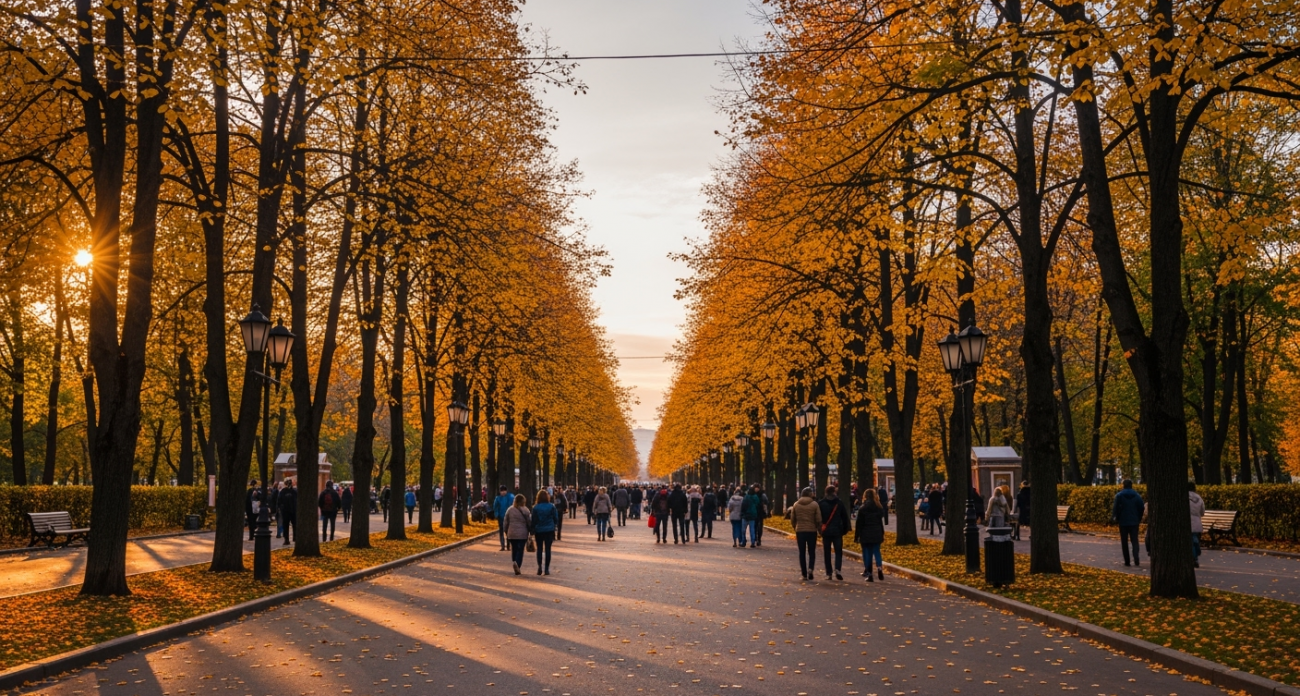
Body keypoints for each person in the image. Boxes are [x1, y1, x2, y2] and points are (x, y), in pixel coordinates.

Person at [788, 487, 822, 581]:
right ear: (810, 494)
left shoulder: (796, 504)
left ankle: (804, 574)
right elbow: (818, 519)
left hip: (800, 531)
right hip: (812, 531)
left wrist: (795, 527)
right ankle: (810, 568)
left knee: (802, 552)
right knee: (811, 551)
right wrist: (818, 528)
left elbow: (792, 519)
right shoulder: (815, 504)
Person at [818, 485, 850, 580]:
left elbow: (819, 518)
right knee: (838, 551)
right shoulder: (839, 503)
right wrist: (844, 530)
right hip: (837, 531)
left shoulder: (821, 503)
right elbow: (844, 517)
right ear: (834, 492)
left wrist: (820, 530)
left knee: (827, 552)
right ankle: (838, 569)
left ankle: (829, 573)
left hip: (826, 531)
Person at [854, 488, 886, 582]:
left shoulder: (863, 508)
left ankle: (870, 573)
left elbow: (859, 523)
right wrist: (882, 533)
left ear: (865, 496)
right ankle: (879, 568)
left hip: (865, 532)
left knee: (867, 553)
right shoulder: (878, 507)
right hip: (877, 532)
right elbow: (880, 521)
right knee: (877, 551)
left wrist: (857, 536)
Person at [1112, 479, 1145, 566]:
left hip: (1123, 522)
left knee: (1124, 541)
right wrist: (1139, 518)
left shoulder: (1119, 496)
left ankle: (1127, 561)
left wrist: (1116, 517)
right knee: (1135, 540)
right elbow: (1141, 507)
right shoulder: (1137, 496)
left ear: (1124, 485)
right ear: (1131, 485)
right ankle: (1136, 558)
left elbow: (1115, 509)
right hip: (1134, 521)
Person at [503, 494, 532, 575]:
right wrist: (531, 531)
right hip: (522, 533)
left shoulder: (509, 510)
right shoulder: (526, 510)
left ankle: (514, 561)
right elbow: (529, 522)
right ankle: (517, 564)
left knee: (514, 549)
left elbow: (505, 522)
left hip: (511, 533)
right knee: (520, 549)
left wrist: (506, 531)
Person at [532, 490, 559, 575]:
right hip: (549, 530)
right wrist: (554, 525)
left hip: (539, 530)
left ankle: (539, 566)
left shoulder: (535, 508)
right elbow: (556, 518)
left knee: (539, 548)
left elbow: (533, 520)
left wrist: (532, 529)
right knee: (548, 549)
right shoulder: (551, 506)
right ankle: (546, 568)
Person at [1189, 481, 1205, 568]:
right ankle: (1197, 550)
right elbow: (1202, 512)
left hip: (1188, 522)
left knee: (1191, 541)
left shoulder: (1184, 496)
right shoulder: (1199, 498)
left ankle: (1195, 557)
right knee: (1194, 538)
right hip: (1197, 522)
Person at [493, 486, 514, 551]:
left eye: (504, 491)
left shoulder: (510, 497)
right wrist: (497, 514)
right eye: (501, 491)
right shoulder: (498, 498)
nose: (503, 492)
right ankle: (502, 545)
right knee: (501, 531)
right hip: (501, 517)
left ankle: (508, 545)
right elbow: (495, 506)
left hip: (508, 517)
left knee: (508, 531)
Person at [277, 479, 297, 545]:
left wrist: (280, 508)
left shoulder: (282, 492)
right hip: (293, 511)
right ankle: (295, 537)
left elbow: (279, 502)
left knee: (285, 525)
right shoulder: (294, 491)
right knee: (294, 524)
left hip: (285, 511)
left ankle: (286, 539)